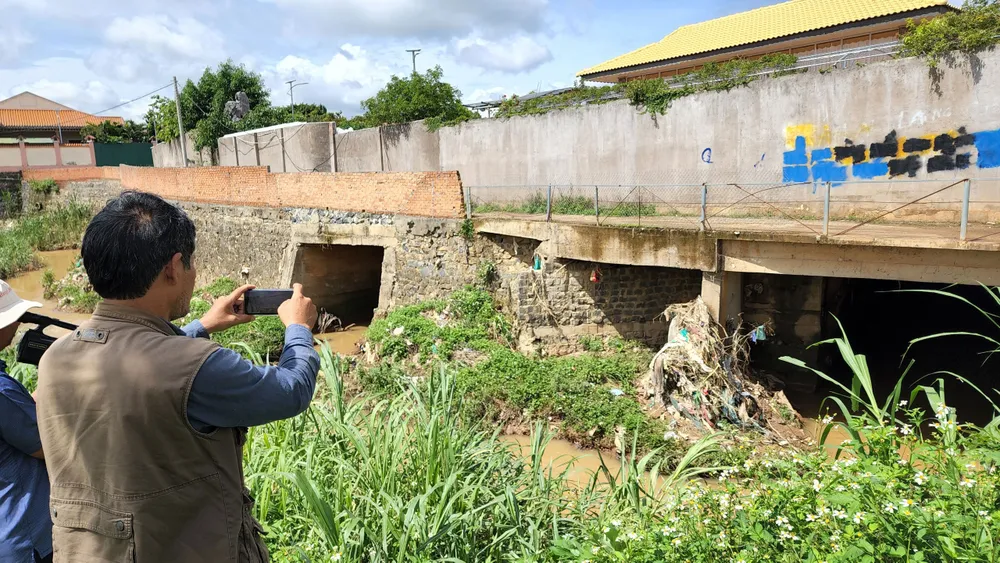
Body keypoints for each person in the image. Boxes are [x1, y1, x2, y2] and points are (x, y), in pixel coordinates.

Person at [35, 191, 320, 563]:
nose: (193, 271)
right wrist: (299, 328)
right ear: (172, 267)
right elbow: (290, 391)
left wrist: (202, 326)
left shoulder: (56, 357)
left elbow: (135, 358)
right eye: (191, 261)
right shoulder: (197, 365)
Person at [0, 281, 53, 563]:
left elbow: (19, 417)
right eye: (13, 317)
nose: (18, 323)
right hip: (27, 538)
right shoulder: (2, 392)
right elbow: (48, 446)